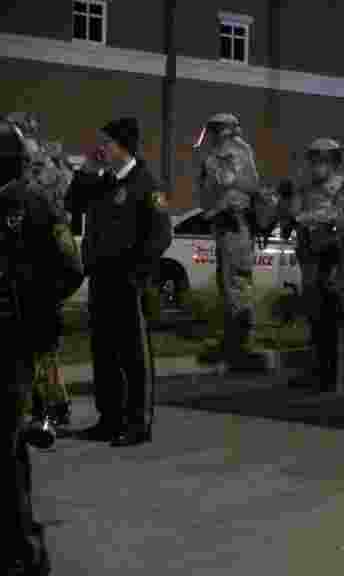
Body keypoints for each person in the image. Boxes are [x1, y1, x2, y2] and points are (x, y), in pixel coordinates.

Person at [70, 117, 170, 447]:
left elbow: (160, 235)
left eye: (107, 143)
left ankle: (138, 423)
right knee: (104, 352)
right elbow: (72, 204)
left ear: (123, 146)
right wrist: (87, 168)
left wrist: (137, 273)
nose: (101, 148)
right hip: (101, 277)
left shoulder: (146, 184)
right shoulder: (102, 182)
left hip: (128, 281)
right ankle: (109, 419)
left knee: (133, 355)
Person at [2, 119, 69, 575]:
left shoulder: (33, 204)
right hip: (18, 337)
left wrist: (38, 310)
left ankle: (25, 552)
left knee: (6, 450)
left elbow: (68, 267)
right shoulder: (32, 201)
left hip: (15, 340)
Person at [283, 138, 344, 392]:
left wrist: (305, 218)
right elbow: (292, 215)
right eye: (313, 161)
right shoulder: (307, 189)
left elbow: (341, 215)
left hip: (333, 255)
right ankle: (316, 370)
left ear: (334, 163)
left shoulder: (342, 187)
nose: (316, 167)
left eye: (322, 162)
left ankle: (332, 374)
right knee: (315, 317)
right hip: (311, 257)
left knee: (331, 316)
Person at [195, 113, 264, 366]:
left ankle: (242, 343)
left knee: (236, 283)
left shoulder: (232, 151)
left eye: (214, 130)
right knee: (228, 282)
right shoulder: (230, 152)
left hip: (234, 221)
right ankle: (234, 339)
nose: (210, 135)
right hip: (227, 224)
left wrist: (210, 167)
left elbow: (229, 182)